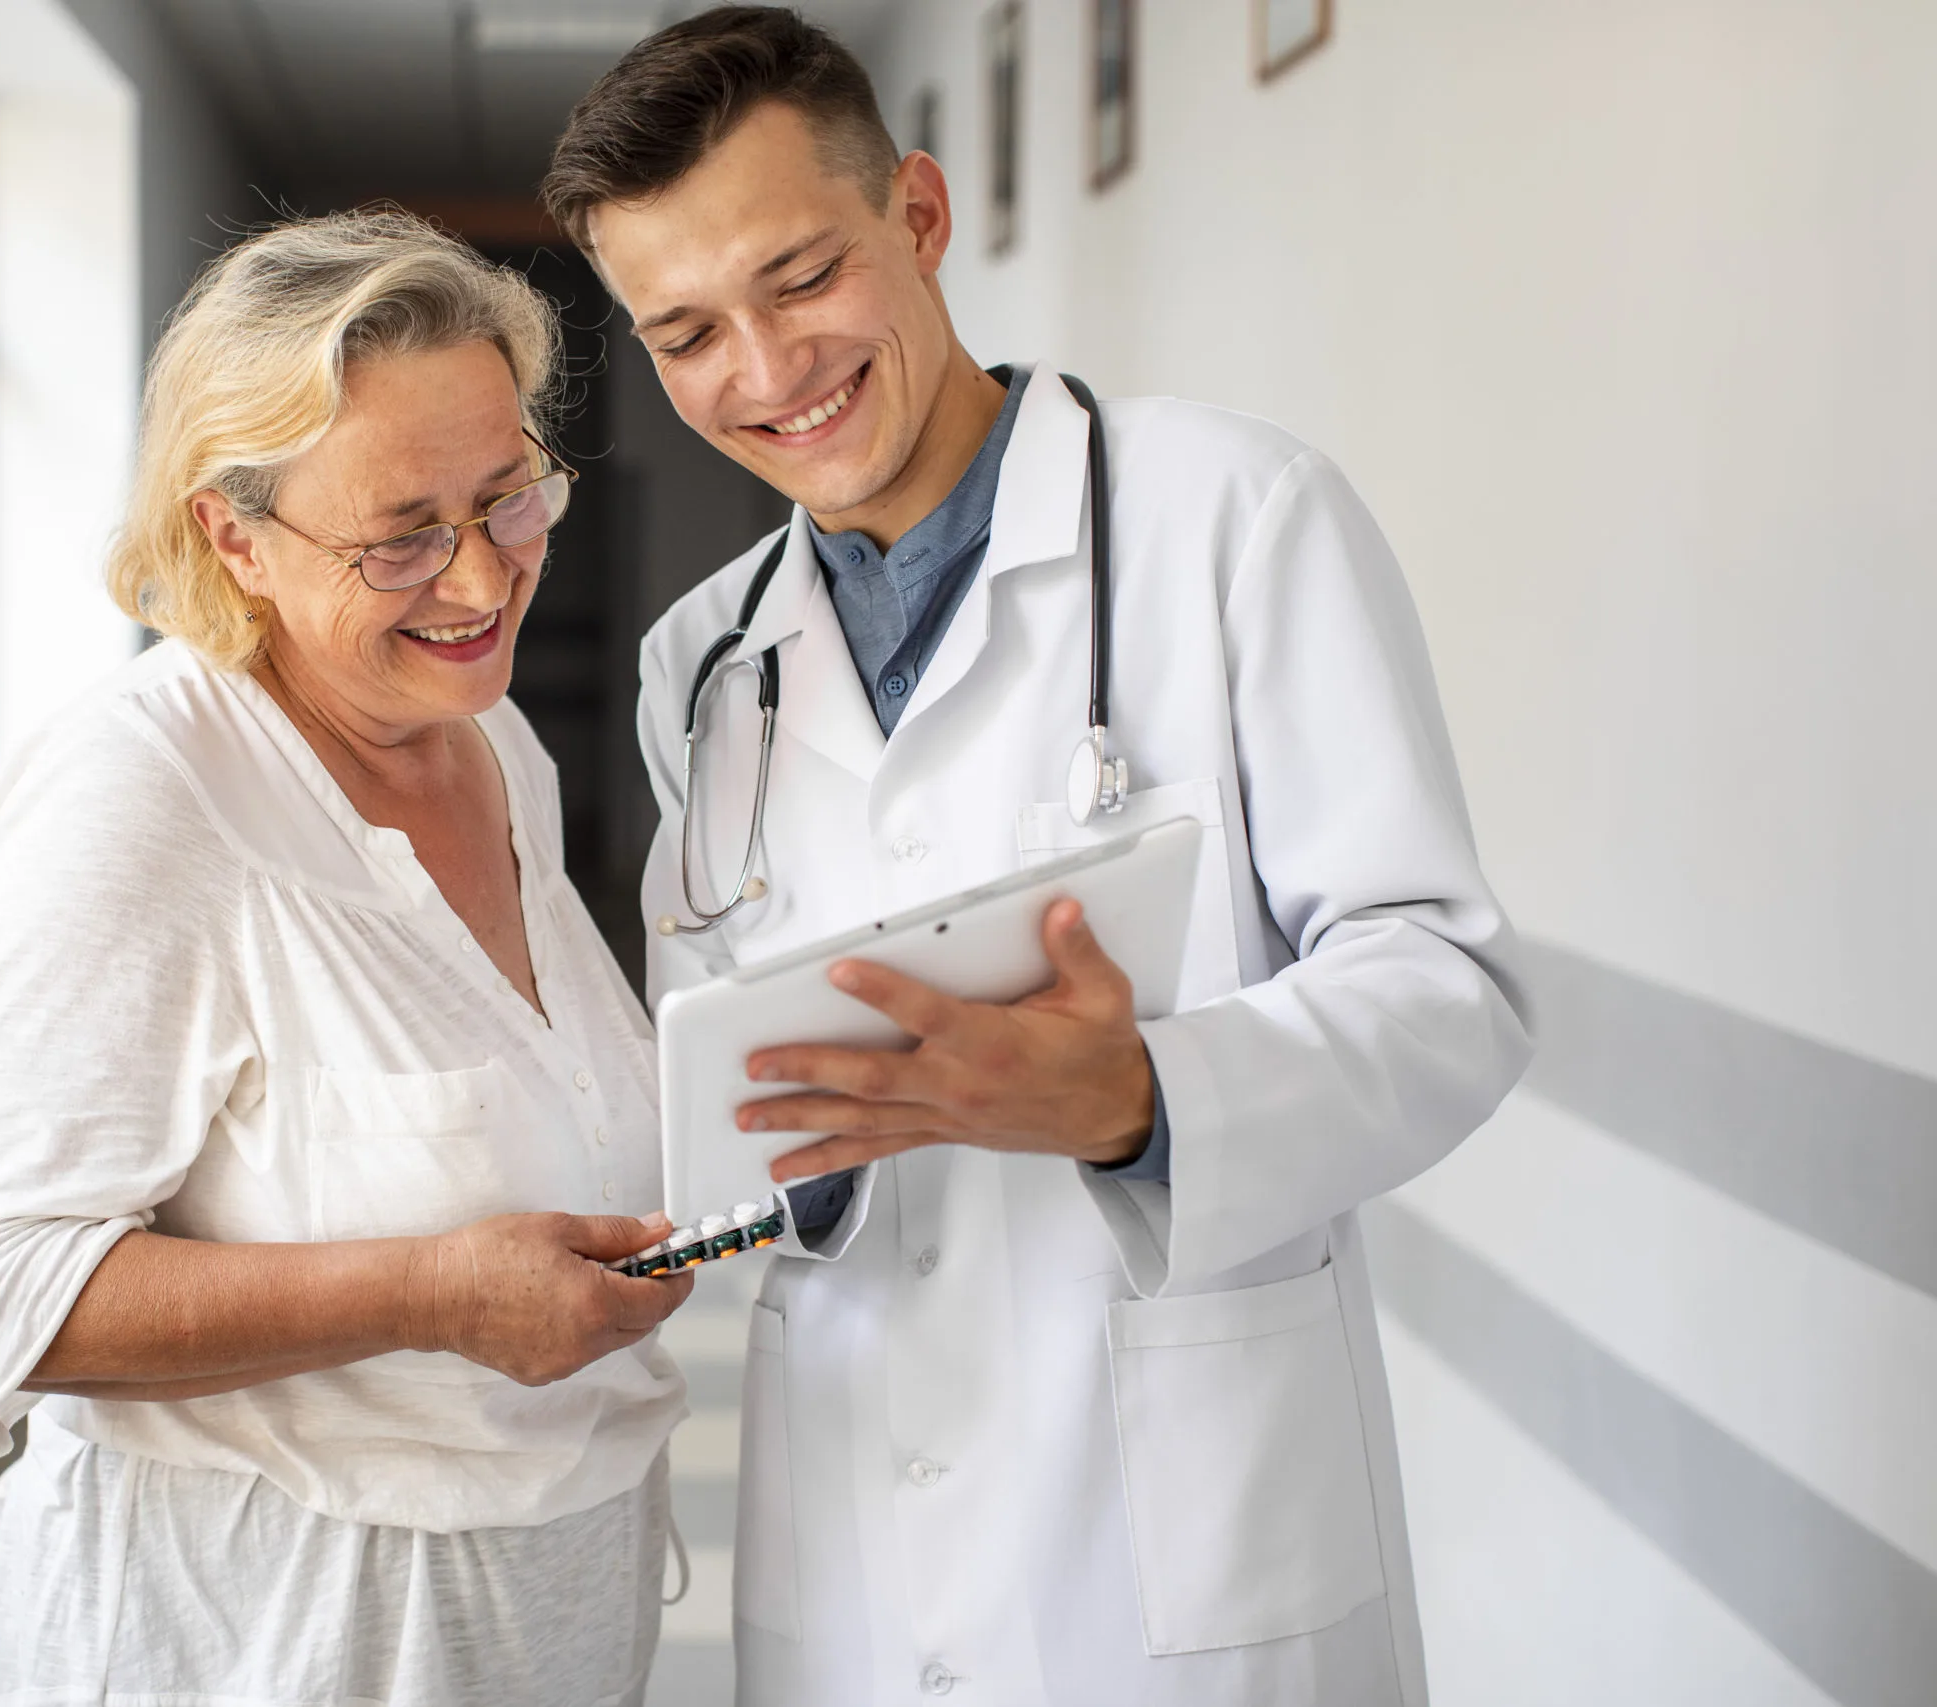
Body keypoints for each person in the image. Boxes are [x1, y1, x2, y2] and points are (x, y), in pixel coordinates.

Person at [544, 10, 1533, 1705]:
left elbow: (1449, 986)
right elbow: (724, 1069)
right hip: (856, 1508)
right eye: (688, 331)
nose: (768, 372)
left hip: (1183, 1529)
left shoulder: (1235, 517)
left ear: (919, 217)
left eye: (802, 277)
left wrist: (1143, 1096)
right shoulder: (704, 664)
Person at [0, 210, 696, 1707]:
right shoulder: (137, 795)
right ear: (233, 533)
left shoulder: (494, 742)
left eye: (509, 498)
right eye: (401, 533)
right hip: (254, 1640)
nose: (479, 581)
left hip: (540, 1629)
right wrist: (426, 1293)